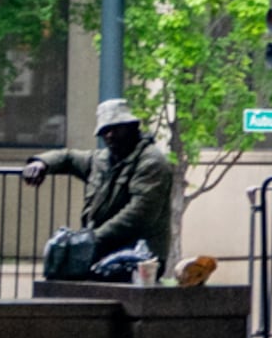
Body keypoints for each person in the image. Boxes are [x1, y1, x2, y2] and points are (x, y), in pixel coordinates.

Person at [24, 99, 179, 283]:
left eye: (116, 129)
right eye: (105, 131)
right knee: (60, 268)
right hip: (103, 249)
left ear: (132, 128)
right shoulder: (101, 159)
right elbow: (68, 157)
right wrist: (41, 163)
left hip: (141, 253)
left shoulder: (152, 162)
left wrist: (92, 239)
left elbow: (139, 214)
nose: (110, 135)